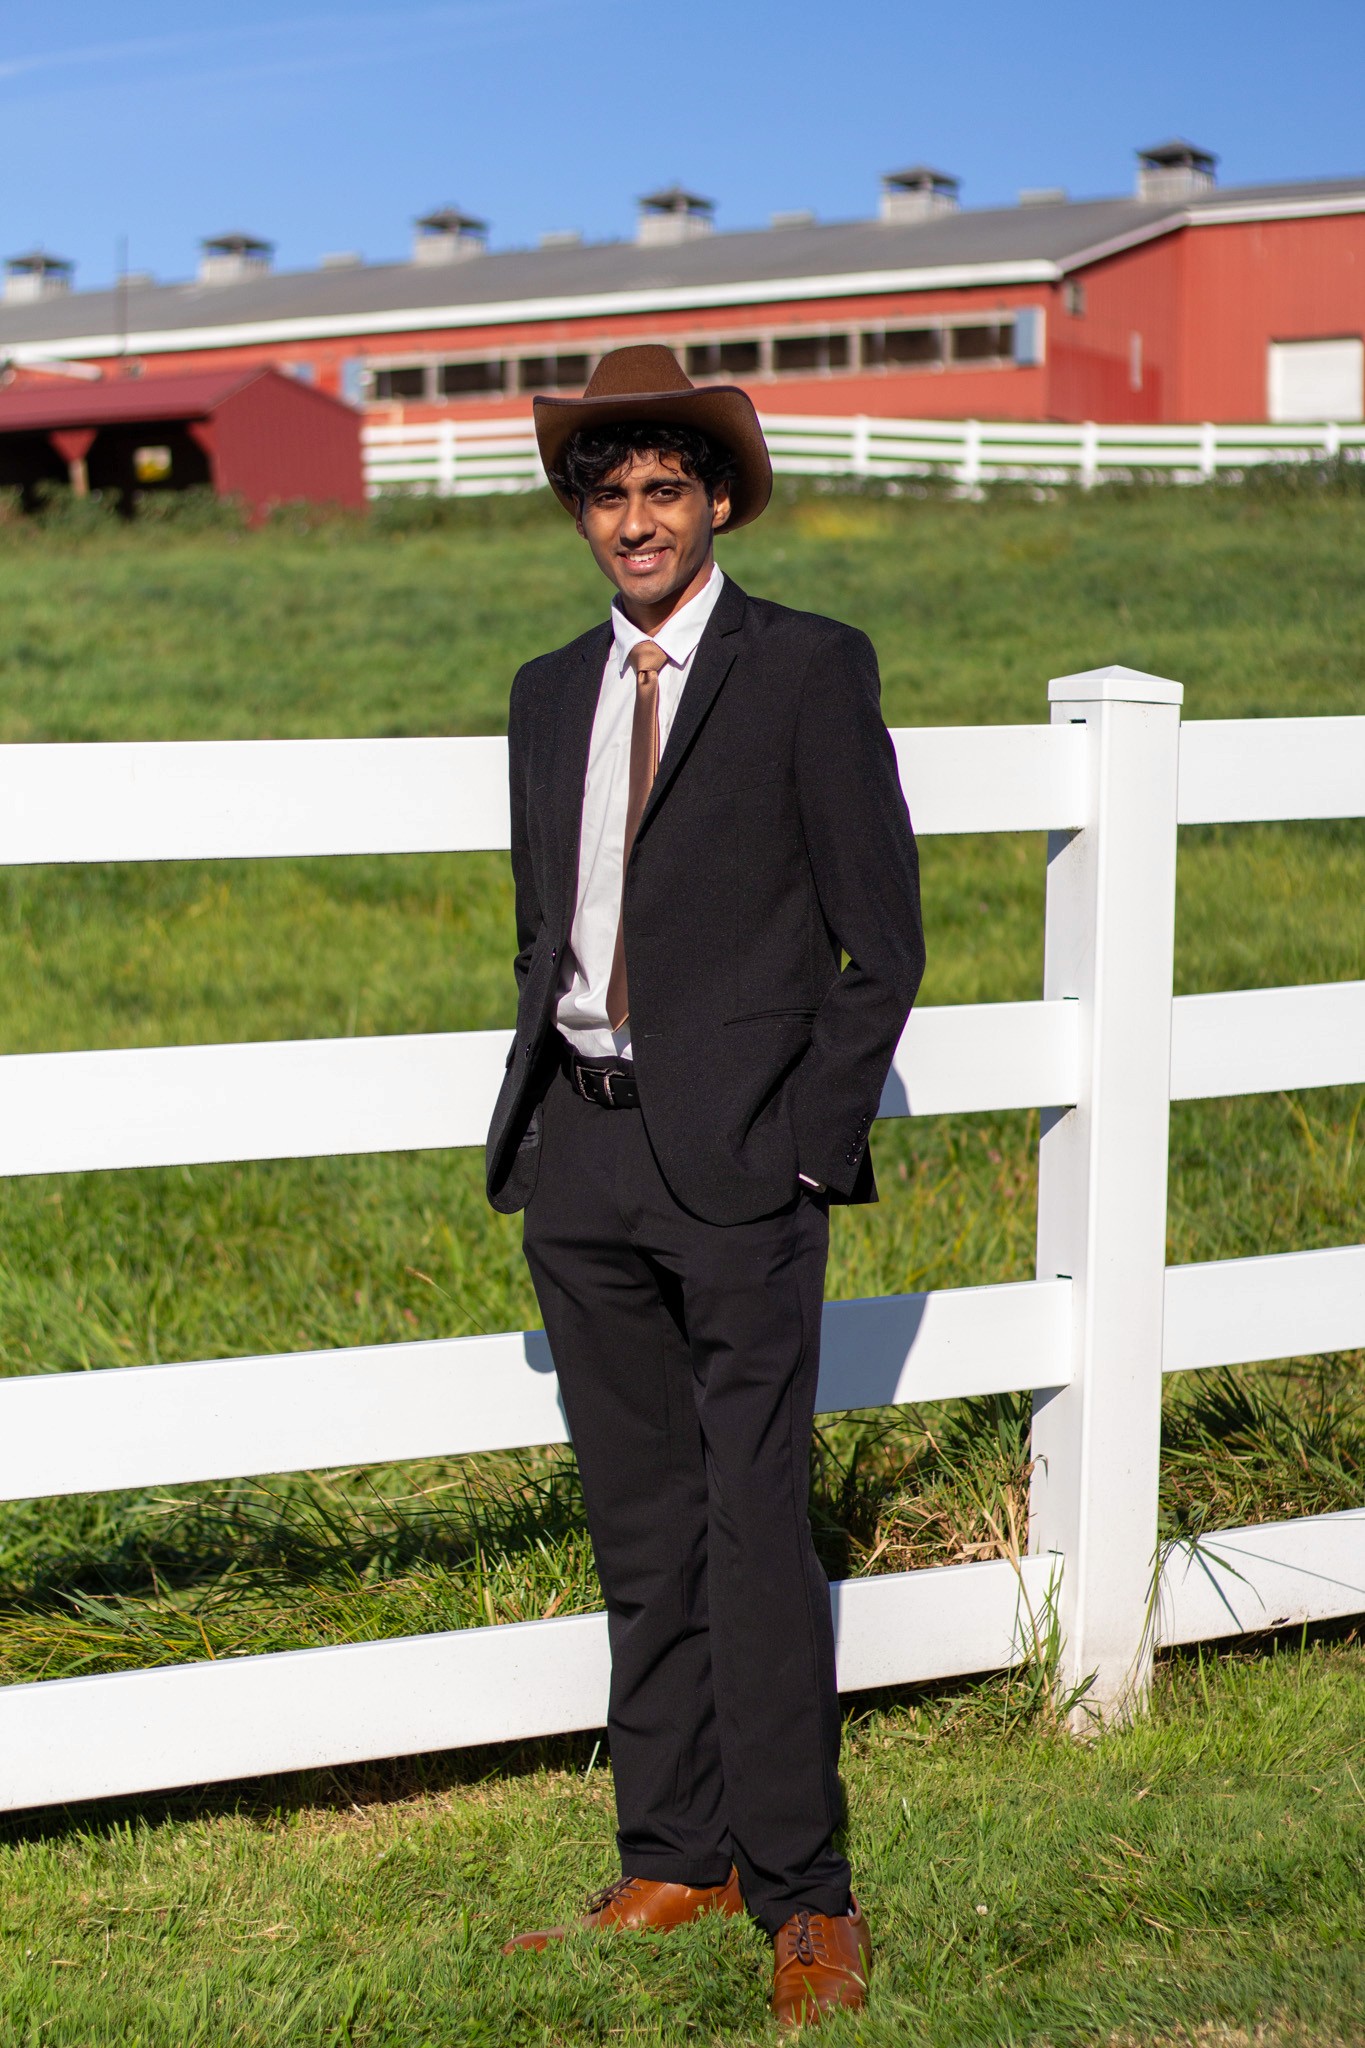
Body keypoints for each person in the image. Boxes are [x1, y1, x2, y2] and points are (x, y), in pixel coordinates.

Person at [485, 344, 923, 2025]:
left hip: (742, 1162)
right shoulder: (545, 693)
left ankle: (805, 1893)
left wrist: (808, 1142)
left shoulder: (806, 667)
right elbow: (547, 928)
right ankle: (674, 1852)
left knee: (752, 1528)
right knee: (640, 1525)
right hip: (582, 1155)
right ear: (580, 517)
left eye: (663, 488)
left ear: (717, 500)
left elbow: (879, 944)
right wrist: (546, 1120)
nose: (634, 519)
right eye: (606, 494)